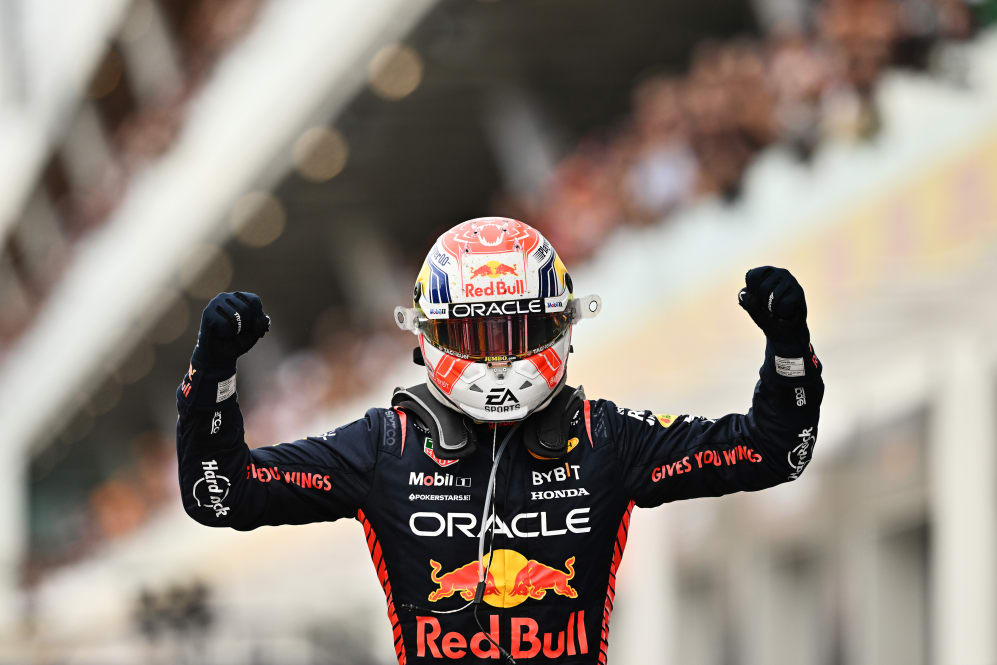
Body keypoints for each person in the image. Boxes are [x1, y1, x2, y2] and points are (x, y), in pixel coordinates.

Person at [176, 217, 823, 664]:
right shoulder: (383, 445)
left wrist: (788, 353)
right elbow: (222, 494)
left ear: (563, 325)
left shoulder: (605, 437)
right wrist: (212, 375)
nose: (499, 360)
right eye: (477, 335)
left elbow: (771, 451)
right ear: (428, 334)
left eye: (517, 331)